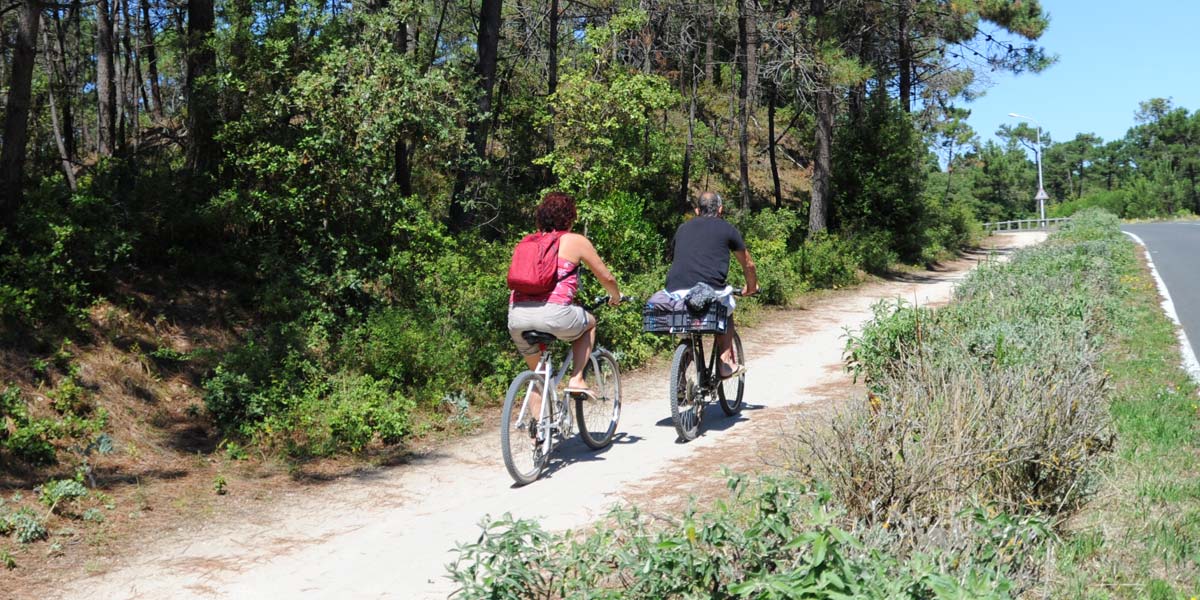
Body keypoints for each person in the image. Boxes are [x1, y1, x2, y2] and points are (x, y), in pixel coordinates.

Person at [508, 192, 621, 418]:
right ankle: (578, 379)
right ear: (570, 217)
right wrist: (615, 296)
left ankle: (539, 436)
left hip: (517, 316)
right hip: (556, 314)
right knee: (589, 324)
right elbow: (606, 277)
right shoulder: (575, 241)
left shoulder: (527, 242)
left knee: (538, 374)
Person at [664, 191, 758, 378]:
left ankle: (681, 375)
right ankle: (724, 364)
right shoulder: (727, 229)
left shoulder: (682, 228)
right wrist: (752, 286)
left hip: (676, 291)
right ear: (720, 209)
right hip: (710, 290)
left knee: (687, 326)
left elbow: (674, 255)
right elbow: (748, 263)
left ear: (697, 210)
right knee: (727, 311)